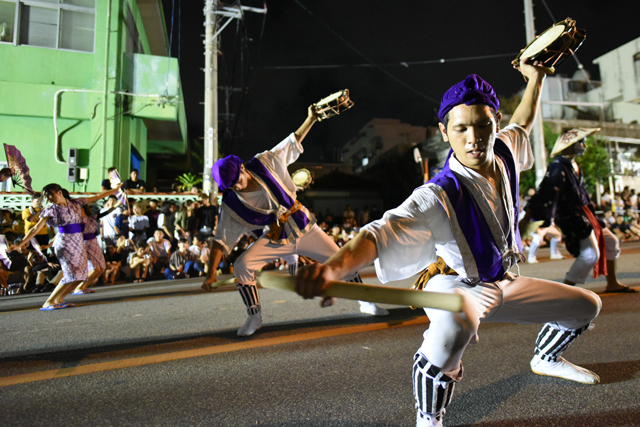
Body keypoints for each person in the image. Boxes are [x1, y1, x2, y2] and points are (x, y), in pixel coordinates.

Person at [295, 61, 603, 427]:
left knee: (587, 306)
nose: (473, 137)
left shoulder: (504, 150)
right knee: (452, 331)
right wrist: (333, 268)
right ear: (444, 131)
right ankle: (429, 418)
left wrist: (535, 77)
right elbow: (377, 233)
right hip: (456, 283)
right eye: (461, 129)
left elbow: (525, 120)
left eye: (483, 125)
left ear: (496, 123)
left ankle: (545, 358)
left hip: (504, 280)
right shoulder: (437, 194)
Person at [202, 105, 388, 337]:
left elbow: (293, 140)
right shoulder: (230, 203)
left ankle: (366, 302)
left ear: (241, 167)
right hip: (275, 238)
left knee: (344, 259)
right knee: (241, 266)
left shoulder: (265, 162)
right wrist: (210, 272)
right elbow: (220, 241)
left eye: (236, 179)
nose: (235, 186)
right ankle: (254, 316)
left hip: (305, 228)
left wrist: (311, 118)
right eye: (229, 185)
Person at [525, 128, 638, 294]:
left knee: (611, 242)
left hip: (587, 215)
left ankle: (612, 282)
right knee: (590, 255)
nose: (584, 145)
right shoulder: (557, 167)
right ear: (570, 145)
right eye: (581, 142)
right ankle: (565, 291)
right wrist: (532, 216)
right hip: (573, 217)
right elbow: (546, 193)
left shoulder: (574, 164)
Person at [11, 183, 121, 309]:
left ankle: (59, 298)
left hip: (78, 242)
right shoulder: (52, 209)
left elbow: (97, 197)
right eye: (47, 196)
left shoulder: (76, 203)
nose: (49, 198)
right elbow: (35, 228)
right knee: (70, 273)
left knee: (81, 275)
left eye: (51, 195)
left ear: (59, 193)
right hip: (64, 243)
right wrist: (20, 243)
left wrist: (115, 190)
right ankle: (49, 301)